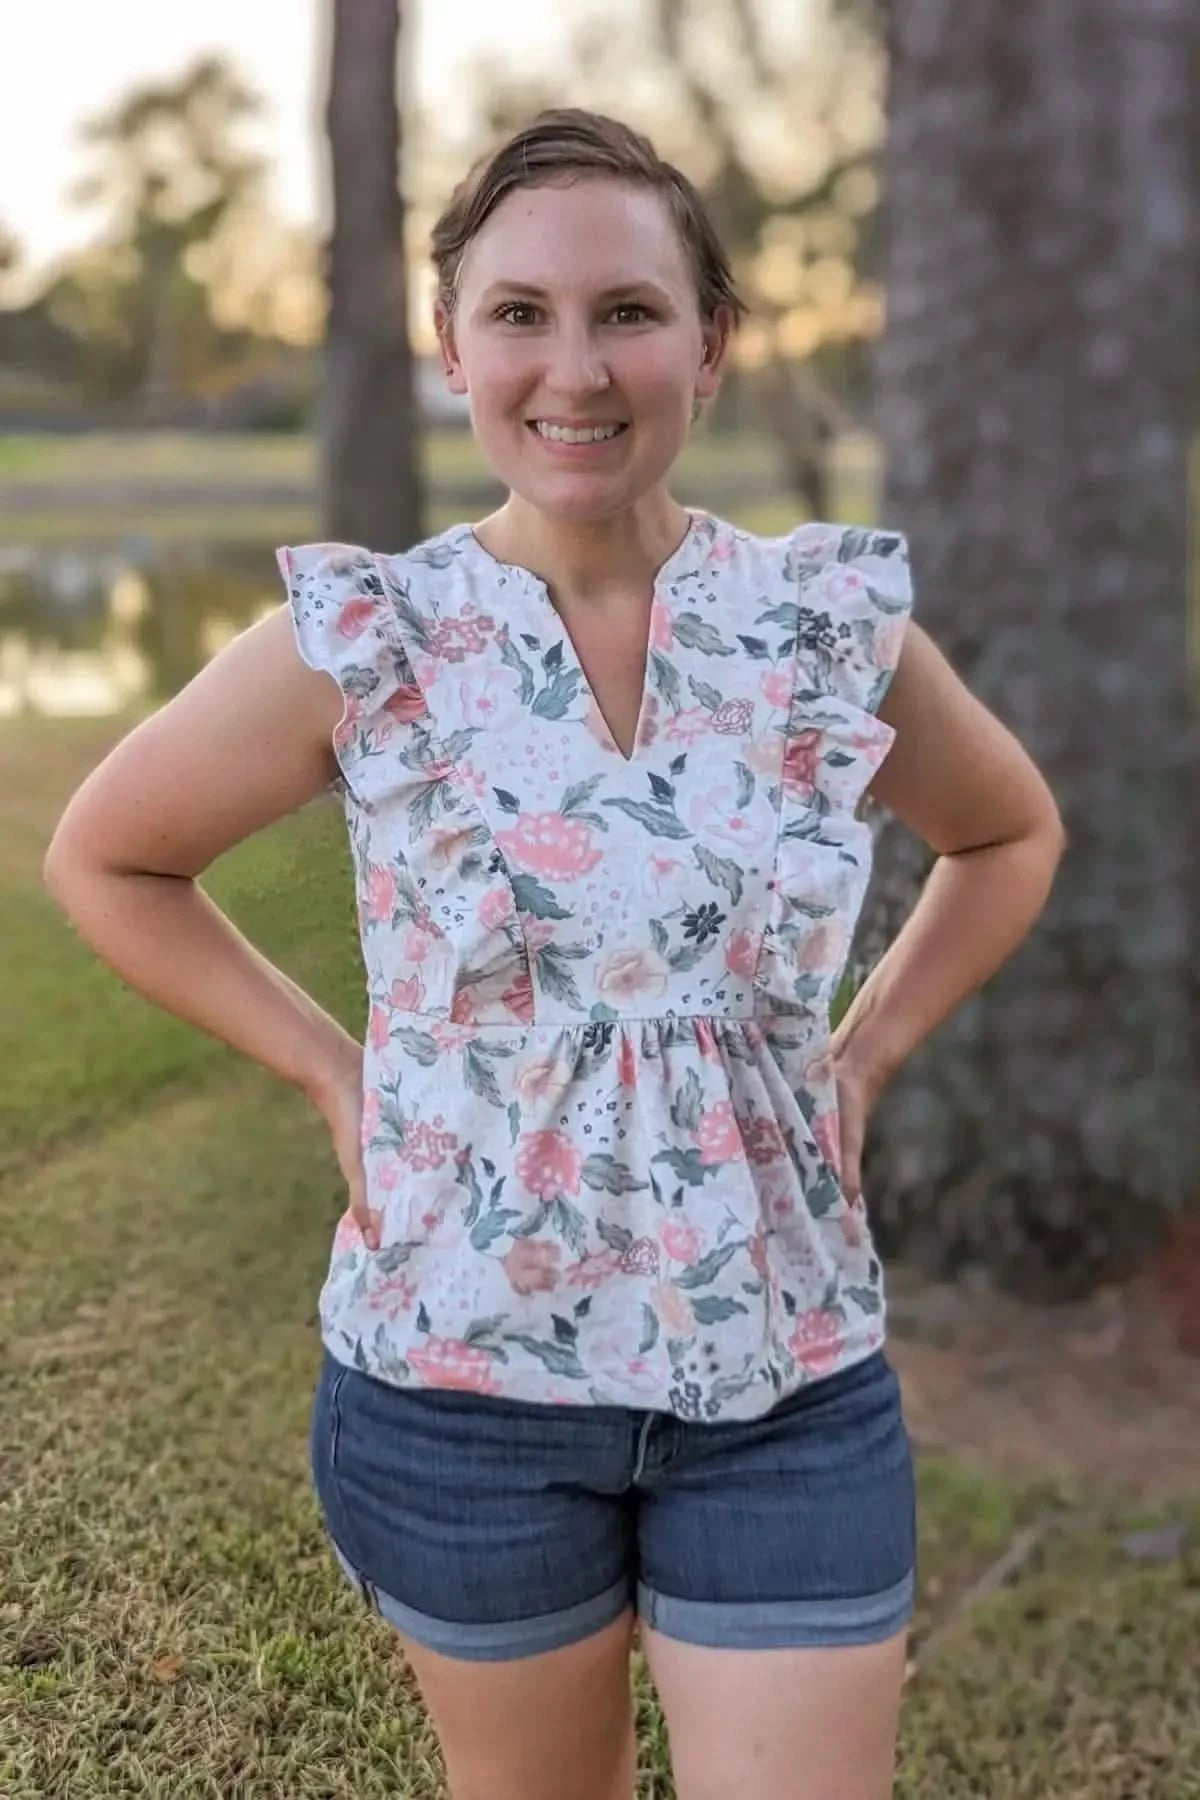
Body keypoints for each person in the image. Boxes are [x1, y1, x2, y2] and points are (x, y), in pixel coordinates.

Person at [43, 107, 1064, 1800]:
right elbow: (110, 856)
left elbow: (1009, 832)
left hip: (783, 1380)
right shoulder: (366, 640)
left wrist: (867, 1050)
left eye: (629, 311)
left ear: (713, 344)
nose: (573, 369)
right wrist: (330, 1065)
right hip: (461, 1392)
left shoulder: (826, 626)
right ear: (453, 347)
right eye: (518, 313)